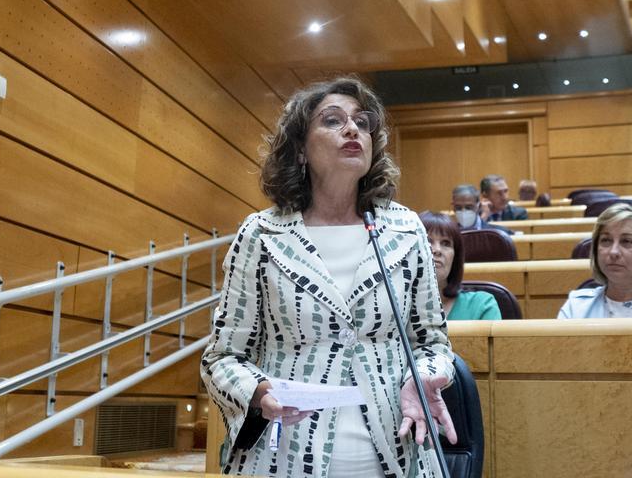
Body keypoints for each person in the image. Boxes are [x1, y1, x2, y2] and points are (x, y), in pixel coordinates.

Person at [201, 77, 457, 478]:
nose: (352, 129)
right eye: (333, 120)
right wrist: (258, 391)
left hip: (397, 452)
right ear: (301, 149)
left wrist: (423, 377)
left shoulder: (405, 230)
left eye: (362, 122)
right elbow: (222, 357)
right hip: (286, 457)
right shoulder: (261, 234)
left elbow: (433, 343)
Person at [419, 211, 502, 321]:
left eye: (446, 243)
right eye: (427, 241)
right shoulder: (398, 307)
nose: (437, 250)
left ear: (455, 257)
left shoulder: (481, 305)